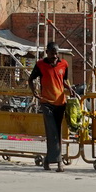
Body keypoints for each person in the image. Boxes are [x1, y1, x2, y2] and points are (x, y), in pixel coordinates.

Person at [29, 41, 74, 172]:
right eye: (52, 53)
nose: (55, 56)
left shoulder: (64, 64)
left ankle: (47, 160)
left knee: (56, 131)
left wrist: (70, 88)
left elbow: (63, 80)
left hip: (60, 102)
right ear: (47, 52)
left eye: (56, 53)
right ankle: (59, 162)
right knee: (52, 130)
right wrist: (34, 91)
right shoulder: (40, 65)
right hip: (46, 102)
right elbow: (31, 79)